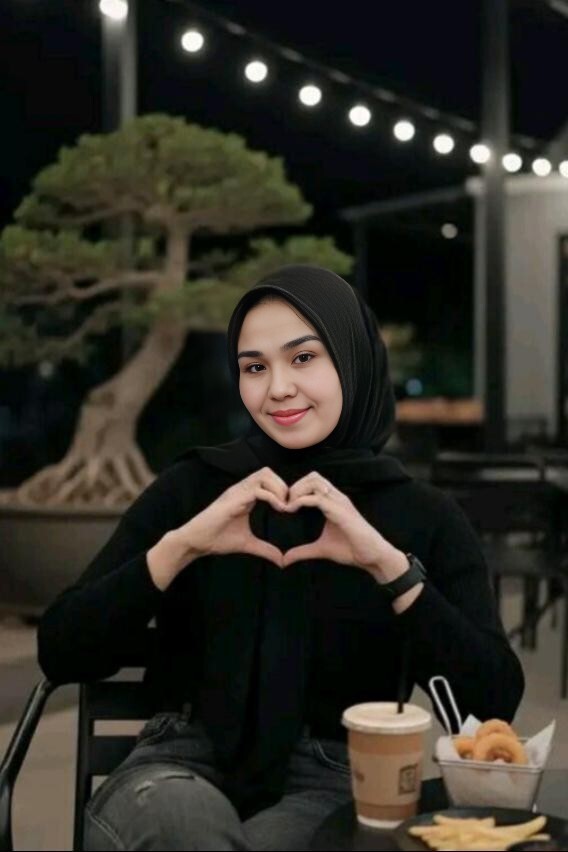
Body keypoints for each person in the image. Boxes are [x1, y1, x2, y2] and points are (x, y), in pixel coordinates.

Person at [37, 264, 524, 851]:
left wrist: (391, 570)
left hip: (333, 780)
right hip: (173, 768)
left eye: (303, 358)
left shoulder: (422, 515)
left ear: (352, 359)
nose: (278, 389)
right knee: (186, 824)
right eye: (254, 367)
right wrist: (181, 547)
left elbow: (490, 705)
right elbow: (62, 649)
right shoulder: (196, 487)